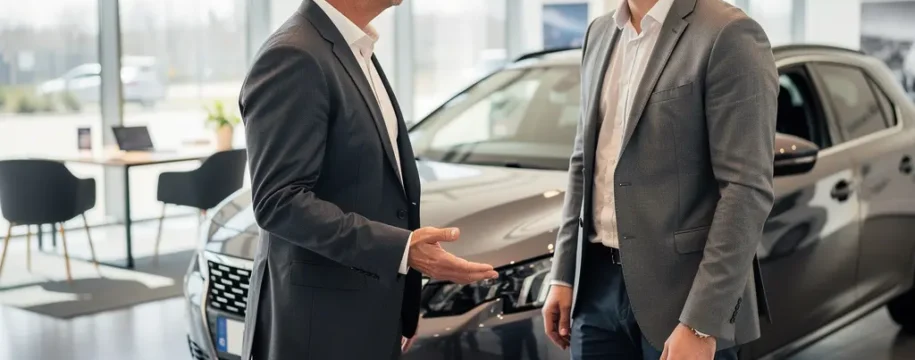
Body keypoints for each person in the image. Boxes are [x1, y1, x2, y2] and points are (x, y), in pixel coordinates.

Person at [238, 0, 499, 359]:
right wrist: (404, 250)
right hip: (321, 326)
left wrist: (398, 306)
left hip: (365, 312)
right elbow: (279, 201)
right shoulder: (294, 54)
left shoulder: (355, 49)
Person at [541, 0, 778, 359]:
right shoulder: (600, 32)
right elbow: (584, 162)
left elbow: (746, 189)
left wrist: (702, 322)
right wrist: (563, 274)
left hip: (683, 294)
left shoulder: (728, 33)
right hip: (595, 287)